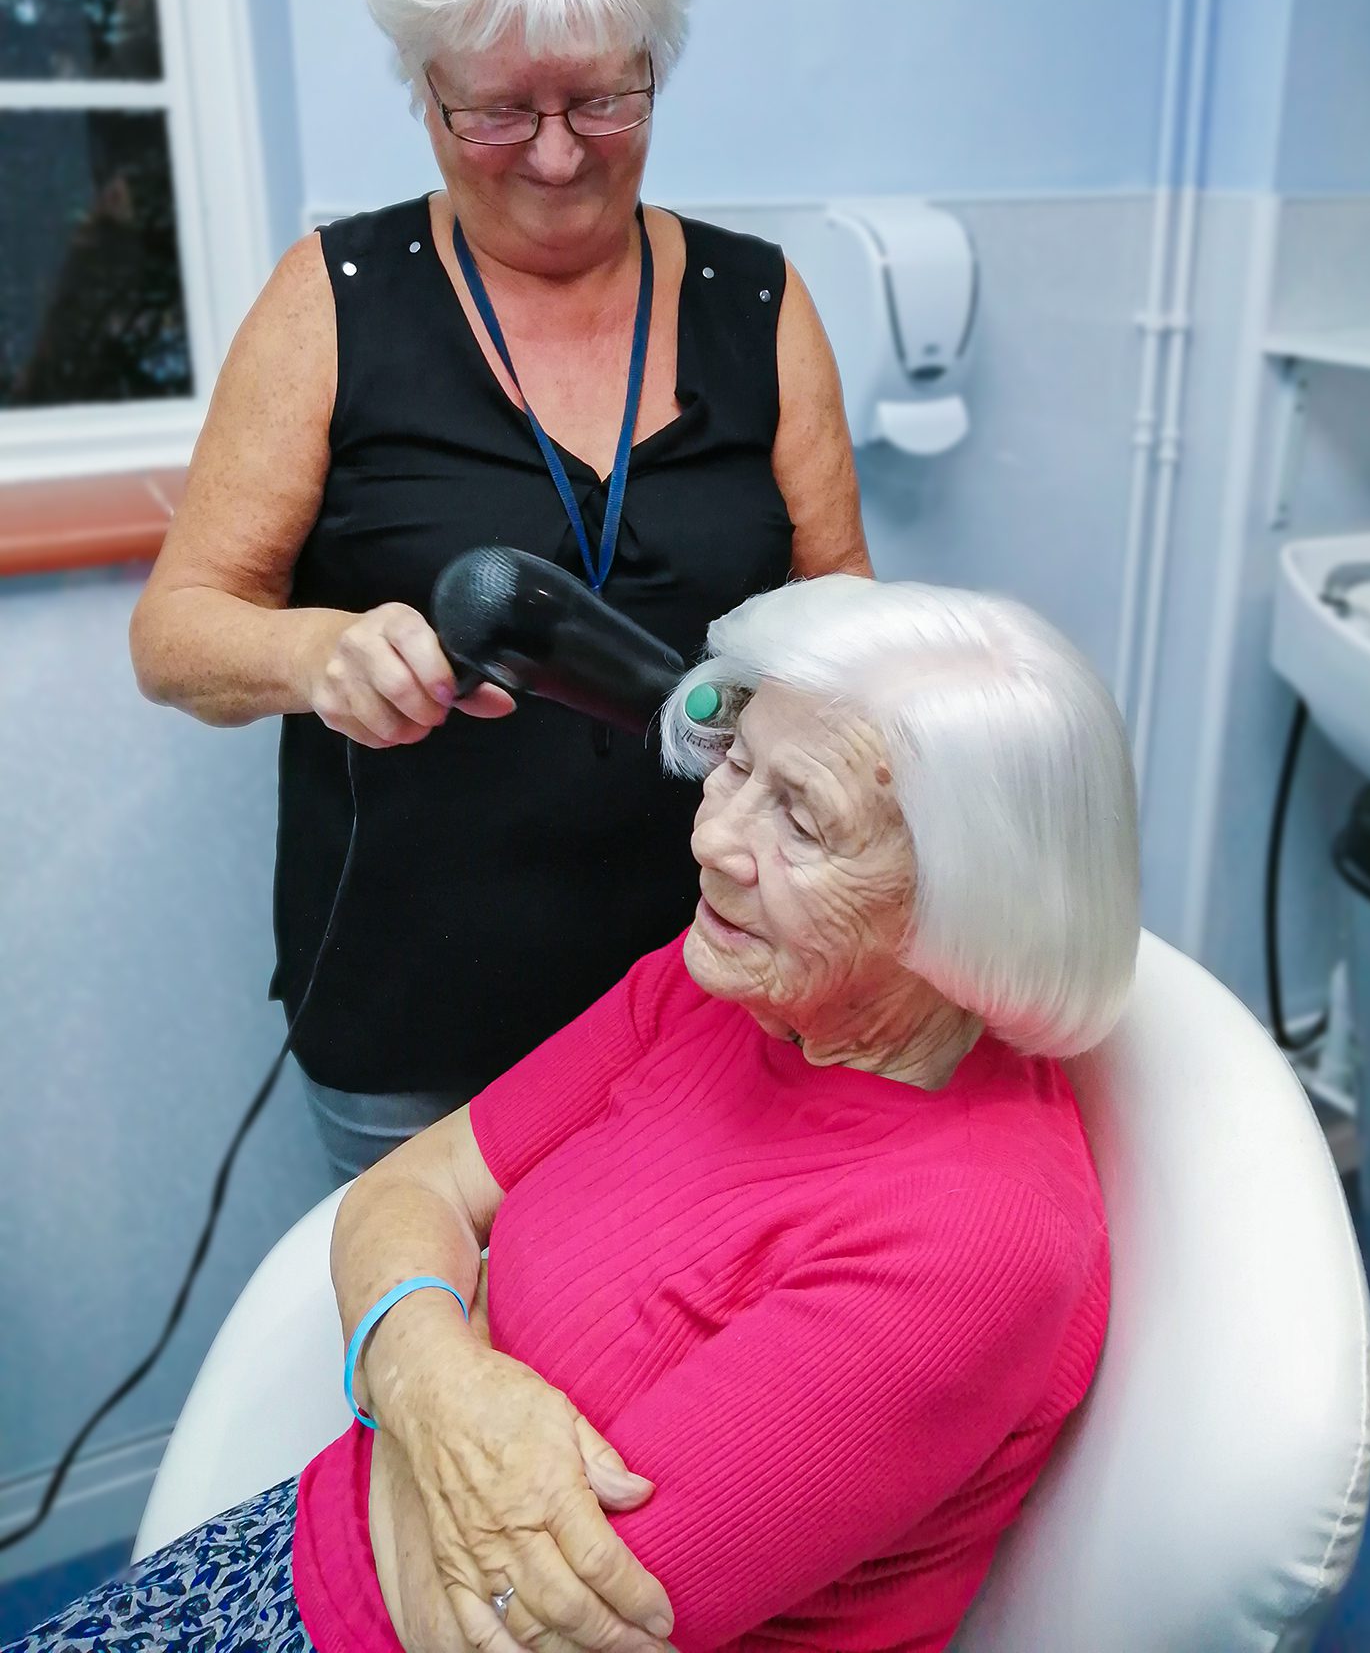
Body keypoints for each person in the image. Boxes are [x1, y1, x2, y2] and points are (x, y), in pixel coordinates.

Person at [19, 577, 1140, 1653]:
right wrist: (441, 1384)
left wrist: (413, 1341)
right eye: (735, 763)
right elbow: (403, 1189)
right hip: (305, 1548)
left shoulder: (969, 1241)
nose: (712, 838)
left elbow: (516, 1622)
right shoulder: (727, 985)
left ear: (972, 897)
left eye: (800, 817)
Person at [129, 0, 869, 1176]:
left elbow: (846, 611)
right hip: (420, 1026)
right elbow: (178, 634)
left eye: (603, 97)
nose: (555, 152)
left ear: (656, 62)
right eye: (499, 112)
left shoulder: (756, 304)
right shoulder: (335, 301)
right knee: (432, 1373)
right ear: (424, 91)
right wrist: (324, 651)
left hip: (715, 1002)